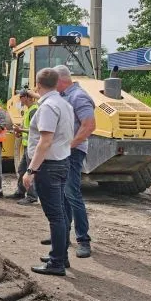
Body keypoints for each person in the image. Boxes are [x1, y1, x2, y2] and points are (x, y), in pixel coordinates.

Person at [23, 68, 74, 276]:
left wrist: (30, 170)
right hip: (62, 161)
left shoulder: (48, 107)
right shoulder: (64, 103)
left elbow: (45, 141)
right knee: (60, 212)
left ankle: (56, 262)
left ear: (37, 84)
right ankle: (61, 255)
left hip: (49, 165)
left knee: (55, 216)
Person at [54, 65, 96, 258]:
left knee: (72, 194)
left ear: (60, 81)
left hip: (73, 153)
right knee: (63, 195)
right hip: (64, 152)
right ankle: (64, 236)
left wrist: (69, 145)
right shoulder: (64, 96)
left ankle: (83, 240)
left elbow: (89, 125)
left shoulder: (78, 96)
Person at [10, 89, 39, 205]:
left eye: (20, 97)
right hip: (27, 146)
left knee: (29, 171)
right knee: (22, 169)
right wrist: (20, 131)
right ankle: (20, 191)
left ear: (26, 97)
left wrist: (21, 130)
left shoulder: (34, 110)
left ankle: (32, 196)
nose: (19, 100)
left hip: (32, 147)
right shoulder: (28, 110)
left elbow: (36, 130)